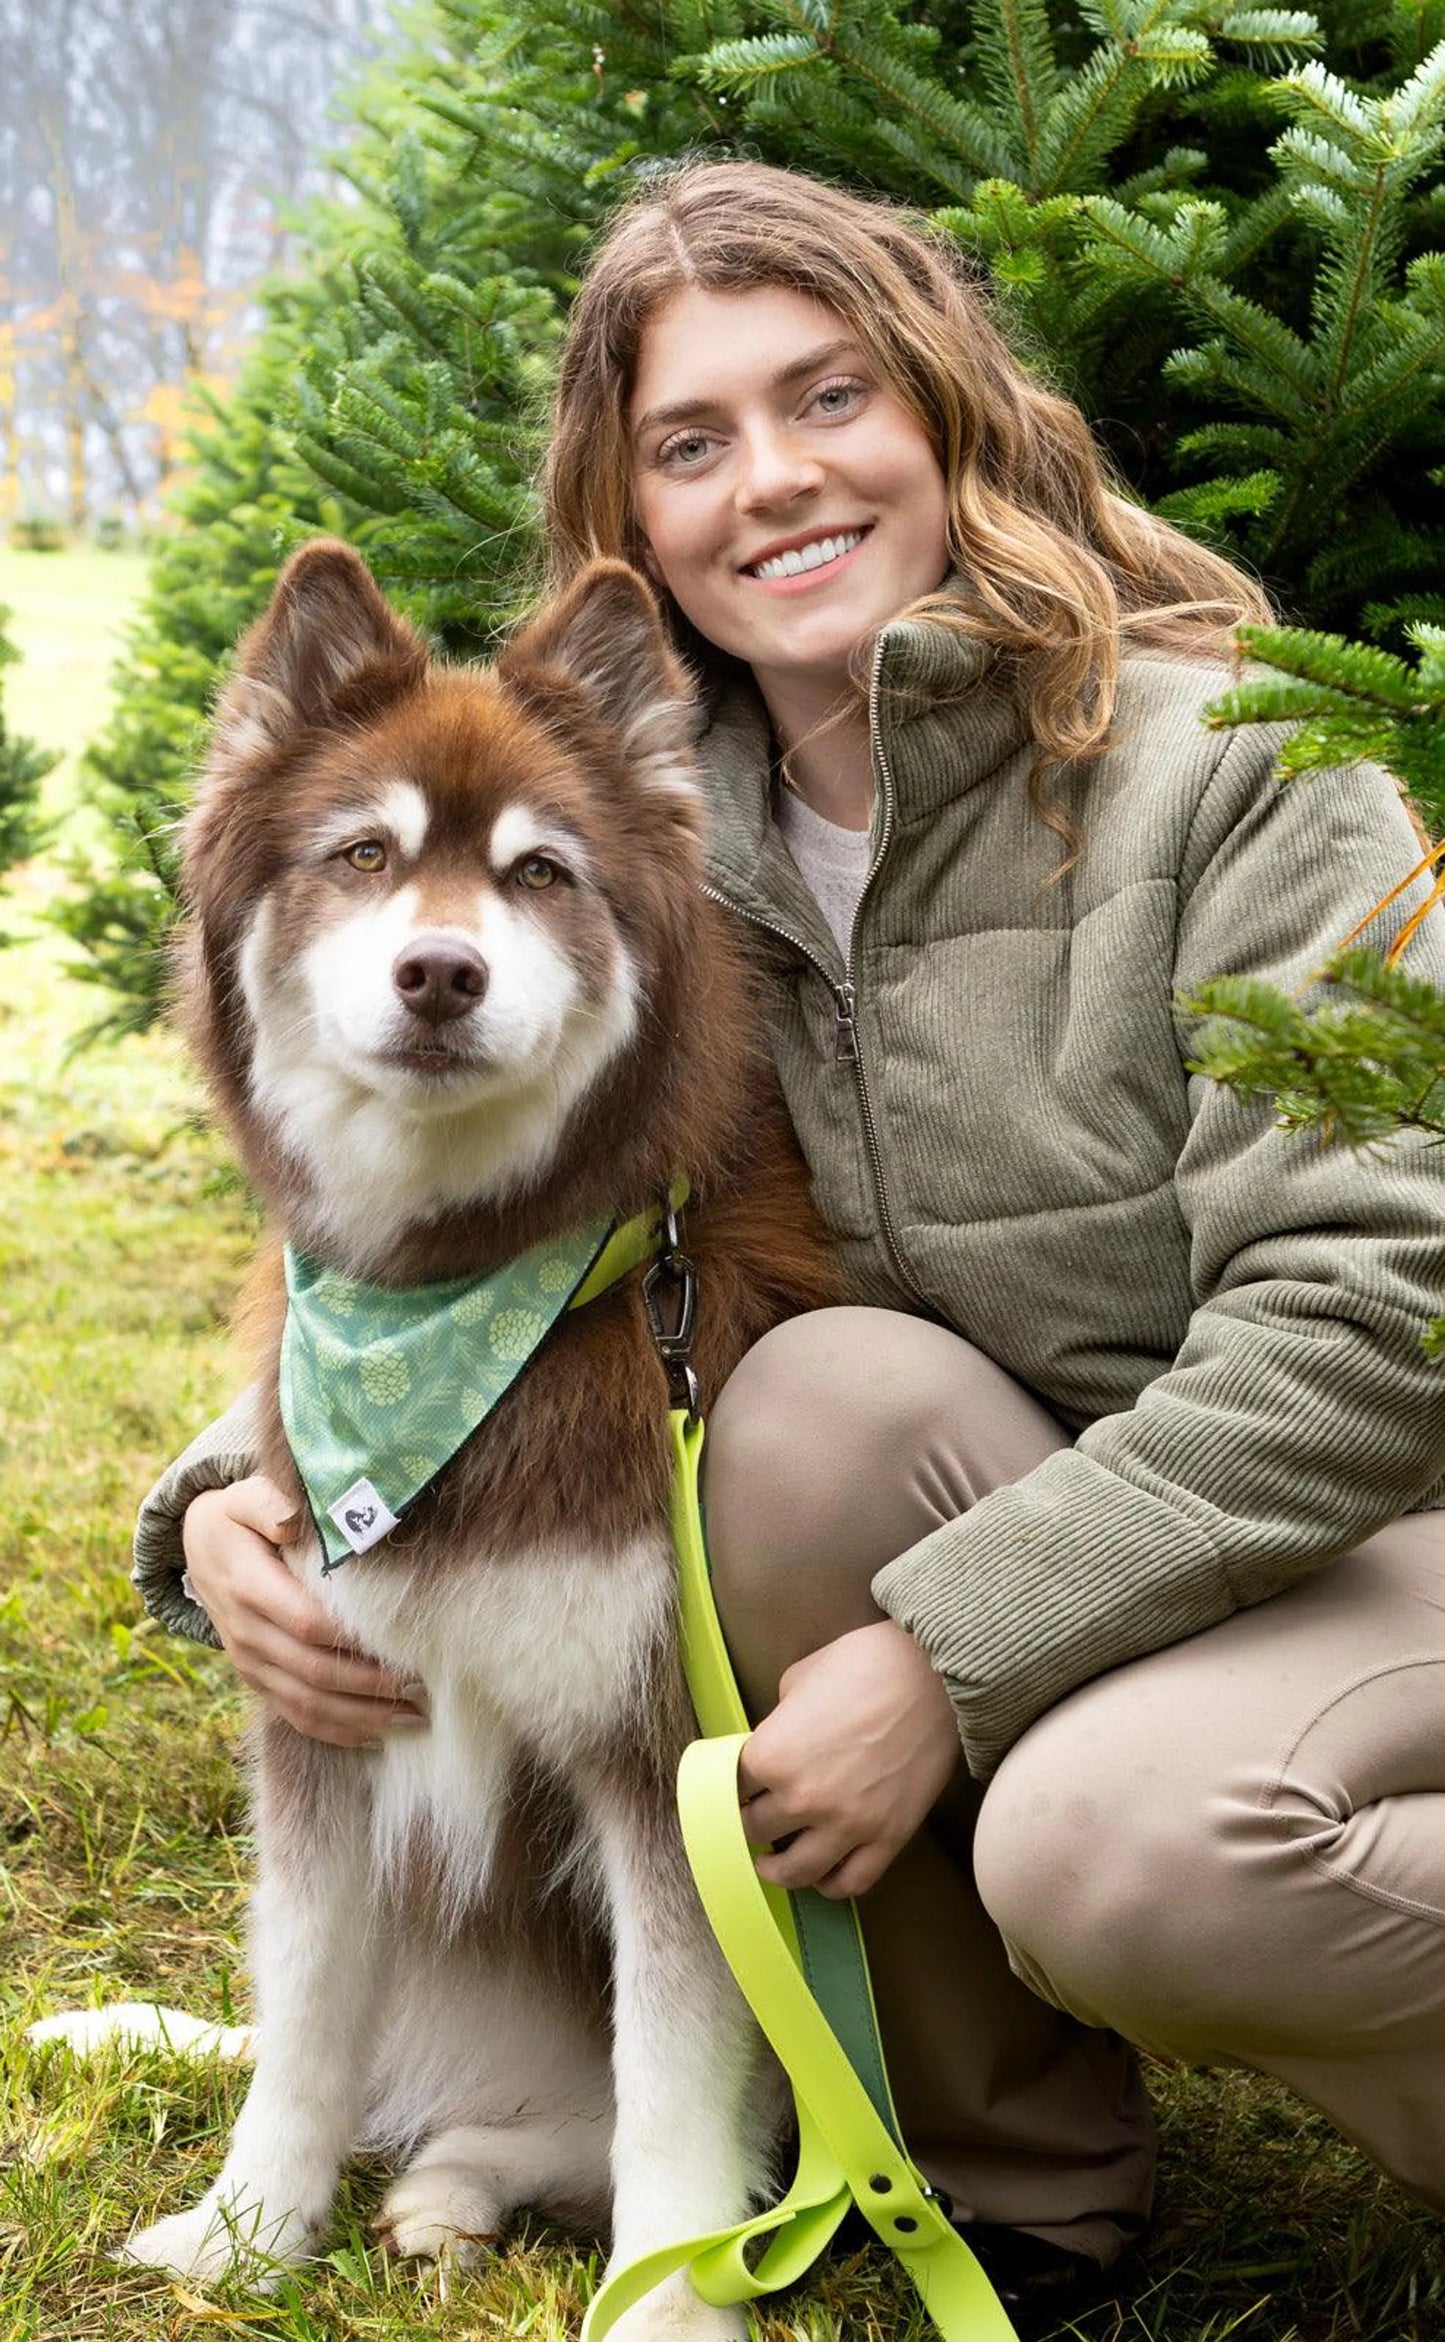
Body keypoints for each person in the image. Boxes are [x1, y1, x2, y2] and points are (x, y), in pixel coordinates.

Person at [133, 160, 1445, 2333]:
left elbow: (1382, 1316)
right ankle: (1021, 2177)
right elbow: (484, 1248)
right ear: (631, 513)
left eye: (827, 395)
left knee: (1111, 1848)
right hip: (1036, 1492)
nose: (776, 479)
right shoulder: (654, 851)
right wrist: (231, 1503)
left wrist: (946, 1655)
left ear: (943, 410)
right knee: (815, 1405)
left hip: (1359, 1522)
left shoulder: (1241, 768)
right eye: (692, 441)